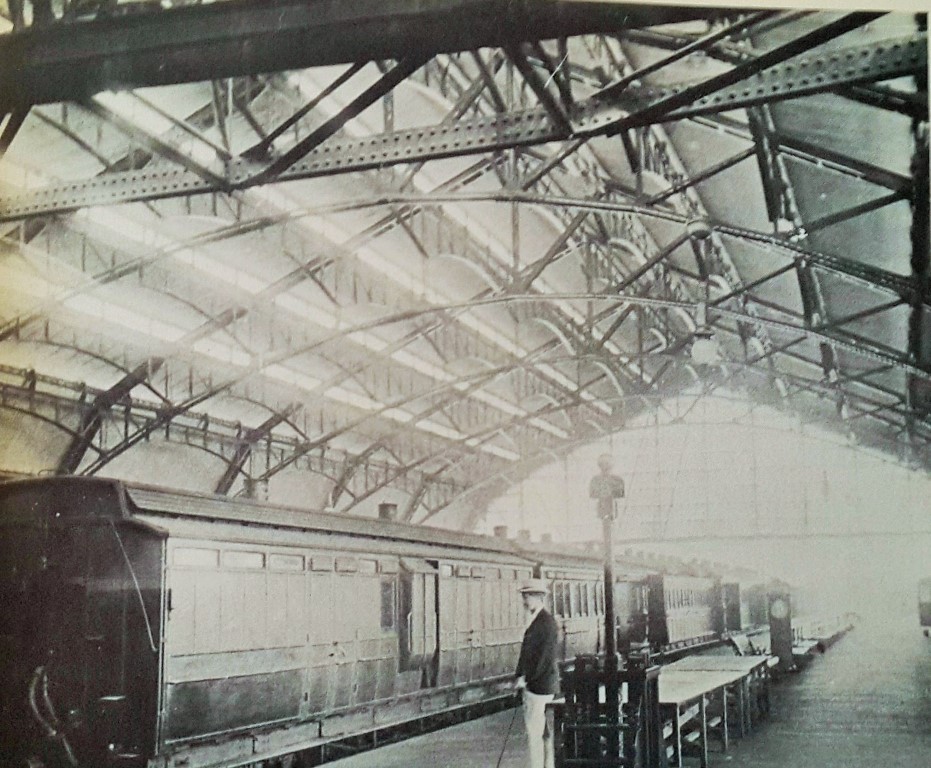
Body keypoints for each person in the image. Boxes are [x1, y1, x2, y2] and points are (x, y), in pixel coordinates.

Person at [514, 578, 559, 768]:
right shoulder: (539, 620)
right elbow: (527, 653)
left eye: (527, 596)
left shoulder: (546, 623)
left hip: (539, 686)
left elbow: (543, 658)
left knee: (535, 734)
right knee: (543, 733)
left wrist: (525, 678)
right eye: (524, 596)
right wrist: (519, 675)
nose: (524, 601)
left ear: (538, 597)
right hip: (539, 684)